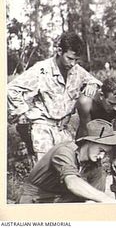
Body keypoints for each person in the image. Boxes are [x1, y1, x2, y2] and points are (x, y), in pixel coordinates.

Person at [7, 32, 101, 161]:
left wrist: (93, 84)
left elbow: (96, 83)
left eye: (76, 60)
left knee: (69, 169)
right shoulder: (41, 70)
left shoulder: (77, 71)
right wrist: (23, 112)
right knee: (45, 172)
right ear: (59, 51)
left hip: (63, 129)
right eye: (69, 58)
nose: (73, 63)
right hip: (42, 128)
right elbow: (11, 89)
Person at [19, 119, 116, 203]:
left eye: (105, 153)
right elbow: (72, 182)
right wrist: (105, 198)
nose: (102, 156)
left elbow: (94, 202)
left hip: (64, 203)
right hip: (36, 201)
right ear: (88, 142)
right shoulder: (64, 151)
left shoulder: (96, 166)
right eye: (101, 150)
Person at [76, 77, 116, 202]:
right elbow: (86, 130)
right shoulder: (86, 102)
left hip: (111, 130)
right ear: (101, 95)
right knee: (87, 165)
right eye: (111, 103)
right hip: (88, 132)